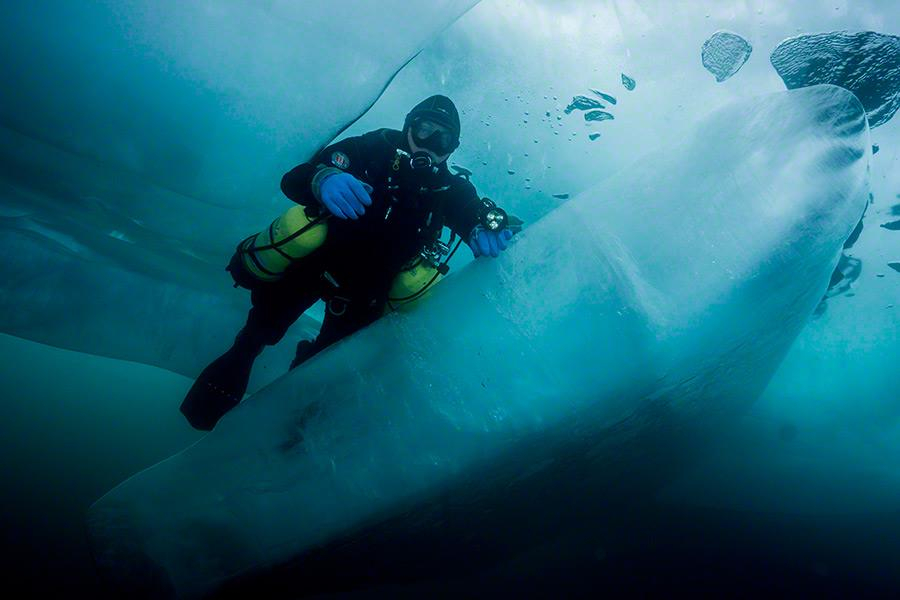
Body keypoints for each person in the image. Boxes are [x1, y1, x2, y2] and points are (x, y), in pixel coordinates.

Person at [181, 95, 514, 430]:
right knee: (255, 336)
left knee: (322, 371)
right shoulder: (371, 149)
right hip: (316, 266)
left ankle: (286, 440)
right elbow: (295, 177)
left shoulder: (448, 189)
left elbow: (478, 213)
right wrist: (322, 179)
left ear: (452, 148)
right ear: (408, 127)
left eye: (442, 138)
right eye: (423, 129)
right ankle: (210, 407)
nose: (429, 143)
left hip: (368, 292)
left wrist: (483, 227)